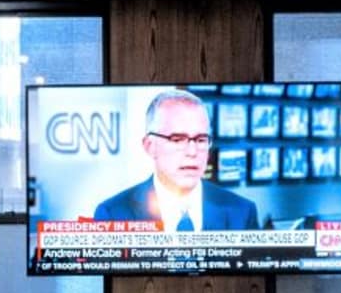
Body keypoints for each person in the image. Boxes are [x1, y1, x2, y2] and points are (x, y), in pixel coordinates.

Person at [87, 88, 268, 230]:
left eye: (200, 139)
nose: (192, 151)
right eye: (177, 139)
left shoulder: (242, 212)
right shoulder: (113, 214)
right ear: (150, 146)